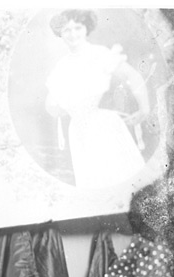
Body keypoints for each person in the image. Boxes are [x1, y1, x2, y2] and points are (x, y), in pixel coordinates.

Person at [44, 9, 151, 190]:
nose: (73, 34)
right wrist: (67, 107)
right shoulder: (62, 65)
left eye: (77, 28)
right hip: (78, 132)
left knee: (119, 178)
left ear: (86, 28)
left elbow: (132, 76)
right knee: (94, 183)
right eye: (66, 30)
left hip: (103, 126)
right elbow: (50, 105)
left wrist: (144, 109)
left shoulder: (99, 54)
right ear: (59, 33)